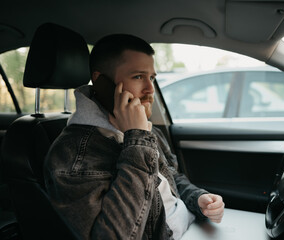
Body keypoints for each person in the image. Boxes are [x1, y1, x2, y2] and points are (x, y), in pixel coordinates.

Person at [44, 34, 224, 240]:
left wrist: (197, 199)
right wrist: (137, 141)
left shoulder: (144, 128)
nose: (150, 89)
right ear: (101, 81)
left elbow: (168, 176)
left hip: (193, 227)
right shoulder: (72, 156)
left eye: (152, 78)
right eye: (138, 77)